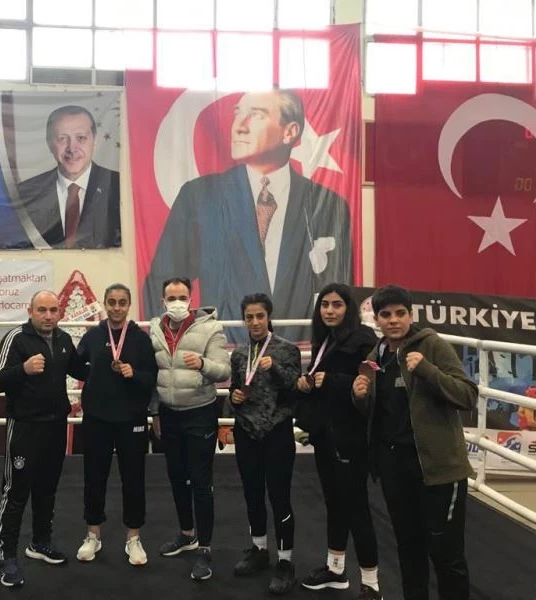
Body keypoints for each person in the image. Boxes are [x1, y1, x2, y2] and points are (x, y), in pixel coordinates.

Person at [142, 89, 351, 342]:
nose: (239, 127)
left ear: (290, 131)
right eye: (238, 113)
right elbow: (162, 282)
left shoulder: (325, 204)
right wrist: (169, 346)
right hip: (223, 348)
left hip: (301, 348)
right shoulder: (200, 197)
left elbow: (338, 293)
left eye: (256, 115)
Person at [352, 285, 477, 600]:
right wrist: (360, 397)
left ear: (411, 315)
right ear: (377, 319)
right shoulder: (375, 356)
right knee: (409, 548)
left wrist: (427, 370)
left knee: (446, 552)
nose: (393, 320)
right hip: (395, 468)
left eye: (400, 313)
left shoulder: (432, 345)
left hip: (438, 468)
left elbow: (468, 396)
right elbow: (379, 413)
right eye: (386, 315)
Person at [0, 290, 89, 587]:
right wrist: (23, 369)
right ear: (30, 311)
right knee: (16, 491)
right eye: (42, 310)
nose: (48, 316)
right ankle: (7, 555)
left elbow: (79, 369)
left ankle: (40, 543)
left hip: (55, 425)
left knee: (47, 488)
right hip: (25, 426)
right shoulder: (16, 338)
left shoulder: (63, 339)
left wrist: (104, 355)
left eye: (53, 310)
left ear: (59, 312)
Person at [295, 284, 382, 600]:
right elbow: (322, 382)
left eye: (336, 305)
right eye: (325, 305)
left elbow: (372, 384)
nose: (329, 311)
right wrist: (306, 383)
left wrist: (331, 381)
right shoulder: (325, 339)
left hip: (351, 436)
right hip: (325, 434)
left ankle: (371, 584)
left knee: (356, 507)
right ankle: (335, 569)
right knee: (334, 502)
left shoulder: (363, 339)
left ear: (349, 308)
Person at [149, 277, 231, 581]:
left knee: (200, 481)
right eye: (171, 298)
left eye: (182, 297)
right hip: (168, 415)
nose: (177, 303)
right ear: (163, 301)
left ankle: (205, 548)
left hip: (200, 413)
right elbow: (154, 375)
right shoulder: (155, 329)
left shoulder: (211, 328)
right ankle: (187, 534)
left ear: (191, 298)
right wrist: (155, 412)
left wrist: (203, 364)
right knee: (176, 476)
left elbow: (224, 370)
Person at [74, 284, 158, 566]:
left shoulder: (140, 339)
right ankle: (93, 534)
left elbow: (151, 377)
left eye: (122, 302)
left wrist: (135, 374)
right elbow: (76, 366)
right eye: (111, 302)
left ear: (129, 305)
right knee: (94, 477)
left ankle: (133, 537)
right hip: (97, 418)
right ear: (105, 304)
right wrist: (93, 374)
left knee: (133, 478)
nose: (116, 307)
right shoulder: (93, 335)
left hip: (131, 419)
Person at [227, 293, 301, 595]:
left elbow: (296, 389)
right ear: (244, 320)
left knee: (279, 497)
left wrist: (275, 369)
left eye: (260, 316)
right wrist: (234, 398)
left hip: (276, 430)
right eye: (249, 317)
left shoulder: (287, 349)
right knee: (252, 493)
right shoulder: (239, 354)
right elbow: (235, 390)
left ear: (269, 317)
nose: (255, 322)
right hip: (246, 431)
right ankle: (259, 549)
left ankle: (285, 561)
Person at [15, 105, 120, 249]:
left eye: (81, 138)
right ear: (49, 143)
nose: (72, 148)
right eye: (62, 139)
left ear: (95, 141)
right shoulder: (25, 194)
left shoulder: (121, 188)